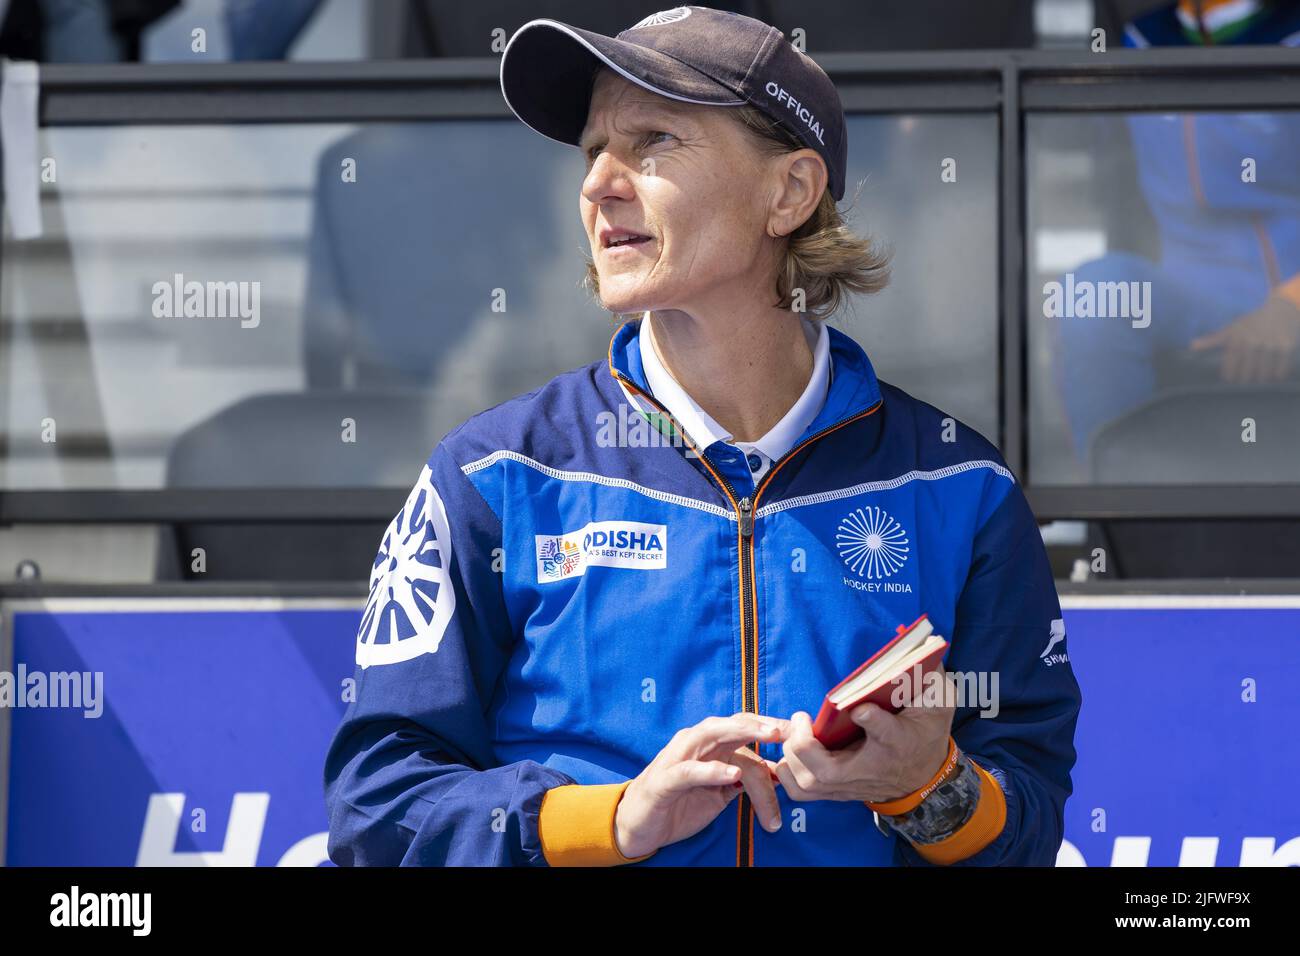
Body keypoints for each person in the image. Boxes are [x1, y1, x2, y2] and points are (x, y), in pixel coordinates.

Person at [324, 5, 1081, 867]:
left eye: (652, 142)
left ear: (789, 192)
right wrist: (610, 820)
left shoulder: (961, 487)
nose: (600, 183)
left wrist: (926, 786)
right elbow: (377, 809)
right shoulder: (493, 475)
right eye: (592, 151)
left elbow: (1027, 824)